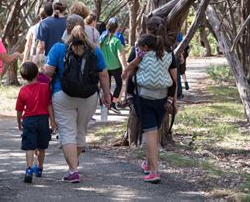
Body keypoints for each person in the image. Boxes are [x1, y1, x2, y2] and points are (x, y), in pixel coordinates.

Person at [44, 14, 111, 183]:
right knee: (80, 130)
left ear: (66, 28)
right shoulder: (95, 49)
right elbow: (103, 74)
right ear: (85, 28)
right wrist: (107, 95)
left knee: (67, 132)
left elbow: (48, 72)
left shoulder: (58, 48)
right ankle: (74, 162)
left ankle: (73, 170)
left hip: (62, 94)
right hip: (89, 96)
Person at [122, 16, 178, 183]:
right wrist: (173, 101)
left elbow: (129, 72)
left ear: (147, 29)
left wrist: (128, 95)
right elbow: (174, 79)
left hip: (143, 98)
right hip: (163, 100)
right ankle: (148, 163)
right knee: (152, 133)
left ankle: (154, 171)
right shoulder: (168, 52)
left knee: (150, 135)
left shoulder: (140, 51)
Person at [16, 62, 57, 183]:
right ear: (37, 74)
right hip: (43, 119)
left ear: (23, 77)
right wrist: (52, 122)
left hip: (29, 120)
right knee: (41, 147)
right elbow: (49, 105)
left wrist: (19, 122)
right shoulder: (45, 87)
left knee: (29, 146)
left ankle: (29, 169)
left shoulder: (23, 90)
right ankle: (39, 168)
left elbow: (19, 110)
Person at [100, 18, 127, 113]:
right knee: (119, 84)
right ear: (116, 28)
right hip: (116, 67)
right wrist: (124, 68)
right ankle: (113, 103)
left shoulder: (102, 39)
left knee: (105, 85)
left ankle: (104, 103)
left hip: (104, 67)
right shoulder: (117, 41)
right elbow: (120, 55)